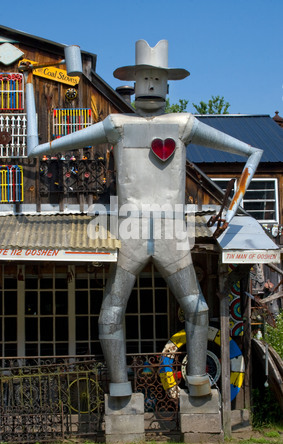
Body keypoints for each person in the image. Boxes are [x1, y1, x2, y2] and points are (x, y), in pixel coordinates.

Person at [26, 39, 263, 398]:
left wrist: (234, 204)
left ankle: (195, 377)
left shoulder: (180, 124)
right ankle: (121, 383)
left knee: (193, 310)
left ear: (167, 85)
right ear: (135, 83)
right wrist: (38, 146)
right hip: (135, 232)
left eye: (156, 79)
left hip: (165, 233)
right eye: (144, 79)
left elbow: (249, 151)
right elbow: (63, 143)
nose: (150, 86)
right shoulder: (119, 124)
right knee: (118, 310)